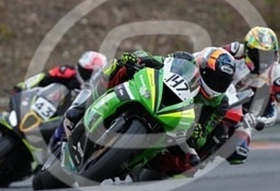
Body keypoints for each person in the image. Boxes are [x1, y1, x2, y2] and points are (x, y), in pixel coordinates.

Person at [62, 47, 237, 177]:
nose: (216, 84)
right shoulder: (185, 60)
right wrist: (137, 59)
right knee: (119, 66)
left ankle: (137, 165)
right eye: (214, 77)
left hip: (177, 121)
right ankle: (83, 107)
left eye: (222, 82)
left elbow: (204, 133)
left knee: (188, 165)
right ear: (203, 68)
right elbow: (158, 61)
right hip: (155, 93)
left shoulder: (219, 103)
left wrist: (197, 133)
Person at [220, 26, 280, 164]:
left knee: (238, 153)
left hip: (242, 110)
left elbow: (274, 110)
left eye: (268, 55)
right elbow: (208, 57)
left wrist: (257, 120)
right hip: (217, 92)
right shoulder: (233, 50)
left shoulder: (279, 78)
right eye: (259, 54)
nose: (263, 60)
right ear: (248, 50)